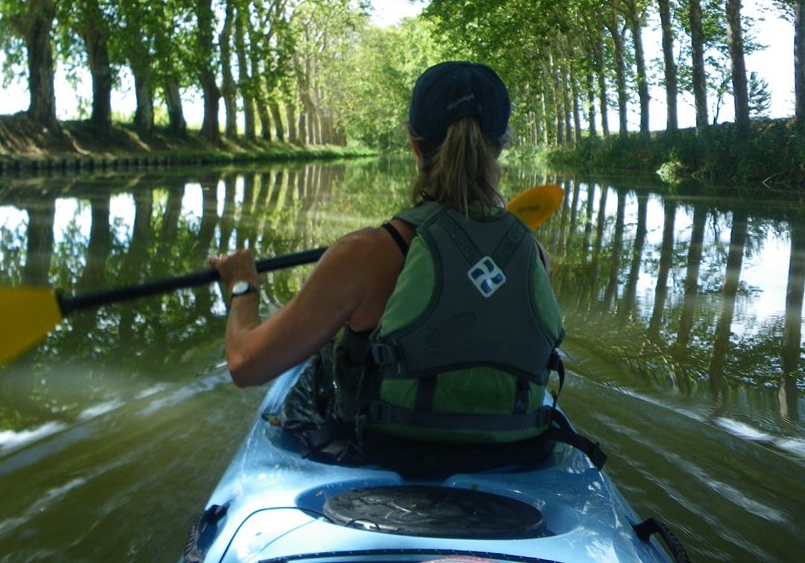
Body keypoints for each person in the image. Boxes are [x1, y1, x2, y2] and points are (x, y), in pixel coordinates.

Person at [208, 61, 587, 468]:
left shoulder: (366, 253)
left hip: (381, 451)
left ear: (414, 142)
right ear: (501, 145)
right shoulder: (533, 255)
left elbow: (246, 365)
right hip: (513, 458)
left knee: (321, 363)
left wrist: (242, 286)